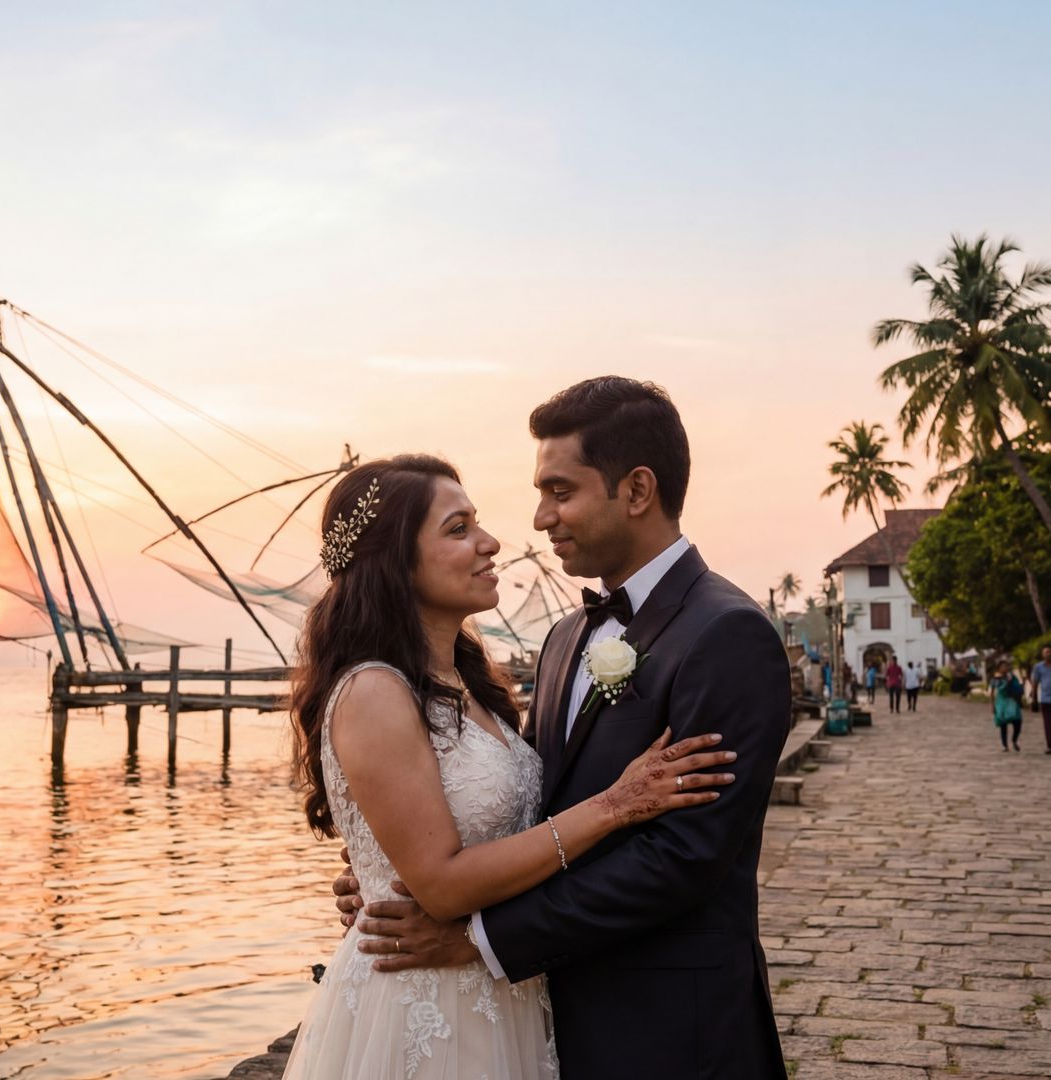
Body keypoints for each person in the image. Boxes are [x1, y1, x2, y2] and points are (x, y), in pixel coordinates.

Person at [330, 378, 793, 1078]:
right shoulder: (564, 637)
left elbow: (684, 857)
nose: (539, 518)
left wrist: (480, 939)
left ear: (636, 490)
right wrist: (391, 872)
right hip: (542, 1021)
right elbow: (525, 803)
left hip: (669, 1027)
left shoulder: (727, 633)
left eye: (560, 491)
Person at [990, 659, 1024, 751]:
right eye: (1003, 666)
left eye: (1006, 666)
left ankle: (1014, 740)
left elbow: (1018, 688)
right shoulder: (996, 679)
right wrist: (992, 705)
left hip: (1012, 701)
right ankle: (1005, 745)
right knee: (1003, 724)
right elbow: (992, 692)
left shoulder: (1012, 677)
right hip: (1001, 702)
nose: (1005, 668)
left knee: (1018, 722)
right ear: (999, 668)